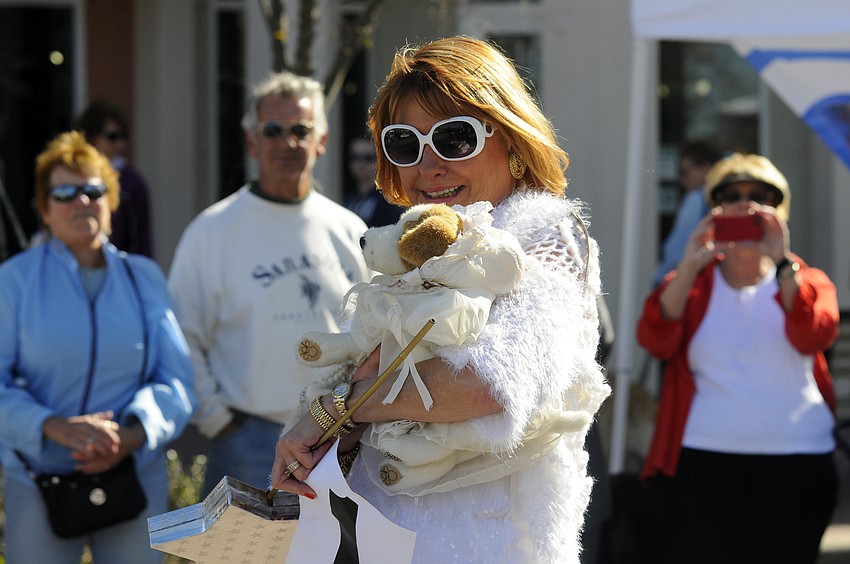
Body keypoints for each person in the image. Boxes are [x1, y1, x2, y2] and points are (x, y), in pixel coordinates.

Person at [272, 36, 610, 563]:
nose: (428, 166)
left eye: (454, 138)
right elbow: (382, 380)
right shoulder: (417, 249)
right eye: (405, 144)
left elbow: (493, 383)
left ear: (512, 140)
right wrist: (324, 435)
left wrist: (338, 409)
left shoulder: (547, 235)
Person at [168, 71, 372, 496]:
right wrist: (218, 421)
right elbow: (181, 337)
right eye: (273, 130)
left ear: (322, 141)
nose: (288, 142)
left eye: (301, 130)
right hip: (247, 440)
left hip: (340, 436)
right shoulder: (211, 232)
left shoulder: (349, 229)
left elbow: (375, 330)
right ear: (251, 142)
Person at [0, 131, 195, 562]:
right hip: (37, 478)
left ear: (112, 202)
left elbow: (177, 381)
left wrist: (133, 435)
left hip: (132, 472)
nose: (81, 202)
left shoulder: (144, 277)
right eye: (64, 193)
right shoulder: (13, 281)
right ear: (44, 209)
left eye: (93, 190)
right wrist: (53, 426)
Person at [637, 153, 838, 564]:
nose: (746, 204)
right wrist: (689, 264)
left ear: (780, 211)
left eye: (761, 196)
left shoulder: (808, 280)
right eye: (731, 195)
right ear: (714, 209)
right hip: (702, 463)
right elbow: (655, 340)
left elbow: (813, 335)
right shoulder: (690, 284)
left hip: (797, 460)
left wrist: (782, 262)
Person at [75, 100, 154, 257]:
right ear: (91, 137)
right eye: (112, 137)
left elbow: (142, 238)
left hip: (118, 264)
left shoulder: (132, 182)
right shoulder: (72, 176)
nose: (120, 143)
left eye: (124, 137)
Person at [653, 142, 723, 286]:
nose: (682, 180)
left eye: (685, 172)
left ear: (706, 169)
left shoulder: (696, 199)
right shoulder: (722, 201)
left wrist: (661, 280)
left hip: (683, 283)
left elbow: (676, 251)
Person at [344, 135, 404, 227]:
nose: (361, 164)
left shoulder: (388, 200)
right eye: (355, 157)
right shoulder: (349, 197)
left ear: (379, 161)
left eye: (368, 158)